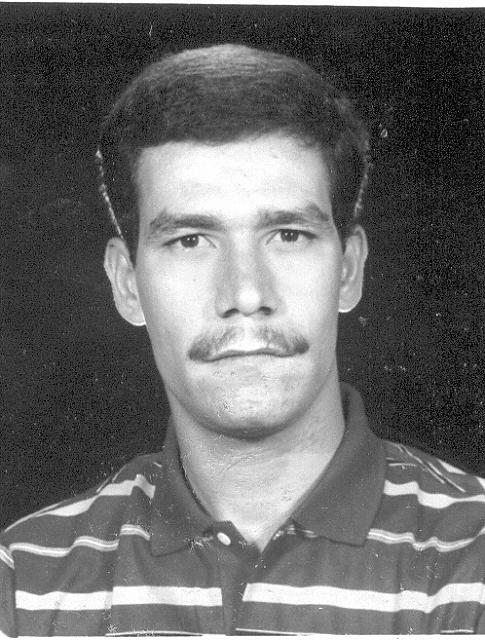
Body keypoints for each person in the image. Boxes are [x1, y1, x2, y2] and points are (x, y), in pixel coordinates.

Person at [1, 43, 485, 637]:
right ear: (127, 284)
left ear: (348, 270)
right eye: (190, 241)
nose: (247, 292)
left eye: (288, 234)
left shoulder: (474, 554)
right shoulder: (23, 581)